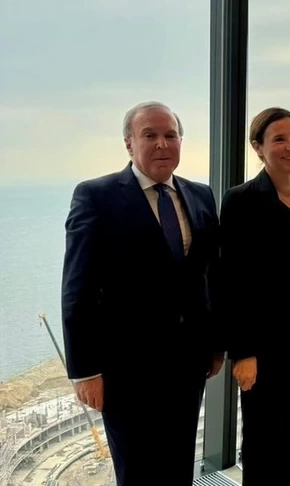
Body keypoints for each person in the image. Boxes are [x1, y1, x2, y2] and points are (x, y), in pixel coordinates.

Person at [61, 101, 225, 485]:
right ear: (129, 143)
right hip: (126, 370)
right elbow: (77, 288)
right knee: (137, 471)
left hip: (187, 363)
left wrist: (216, 344)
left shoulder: (200, 195)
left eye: (170, 135)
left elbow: (210, 276)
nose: (162, 144)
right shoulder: (96, 196)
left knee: (178, 463)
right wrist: (85, 371)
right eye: (150, 135)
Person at [219, 107, 290, 485]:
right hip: (261, 345)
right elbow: (232, 281)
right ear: (258, 147)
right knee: (261, 439)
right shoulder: (240, 200)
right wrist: (243, 352)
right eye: (279, 139)